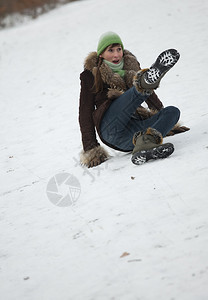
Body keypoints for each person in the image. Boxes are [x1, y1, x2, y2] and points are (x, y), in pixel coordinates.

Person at [78, 31, 189, 167]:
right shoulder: (91, 74)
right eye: (110, 50)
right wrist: (91, 149)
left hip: (131, 137)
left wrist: (166, 124)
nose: (116, 54)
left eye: (119, 49)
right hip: (110, 128)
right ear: (101, 54)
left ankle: (145, 144)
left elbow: (151, 97)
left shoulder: (131, 67)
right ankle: (144, 84)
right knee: (132, 93)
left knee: (172, 112)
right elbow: (85, 112)